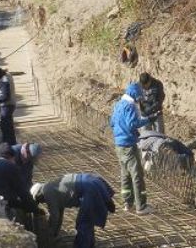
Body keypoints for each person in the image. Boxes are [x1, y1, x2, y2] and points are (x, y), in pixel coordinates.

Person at [109, 82, 158, 215]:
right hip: (128, 145)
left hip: (119, 145)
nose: (139, 98)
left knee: (125, 173)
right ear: (135, 94)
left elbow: (112, 123)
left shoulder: (118, 104)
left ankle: (127, 203)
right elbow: (132, 124)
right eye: (139, 95)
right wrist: (149, 120)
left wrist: (121, 131)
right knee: (137, 175)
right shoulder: (130, 106)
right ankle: (141, 206)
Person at [31, 173, 116, 248]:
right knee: (88, 221)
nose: (42, 202)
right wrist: (55, 233)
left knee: (83, 222)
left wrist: (50, 234)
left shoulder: (47, 192)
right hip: (91, 180)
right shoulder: (52, 188)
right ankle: (89, 245)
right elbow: (59, 214)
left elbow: (54, 216)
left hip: (89, 187)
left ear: (38, 194)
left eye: (39, 200)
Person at [0, 157, 41, 221]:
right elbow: (23, 193)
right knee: (15, 202)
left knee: (15, 198)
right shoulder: (13, 168)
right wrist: (35, 209)